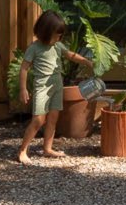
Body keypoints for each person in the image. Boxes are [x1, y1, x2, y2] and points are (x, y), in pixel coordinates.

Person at [17, 12, 90, 164]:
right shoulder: (34, 48)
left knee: (53, 119)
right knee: (38, 120)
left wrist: (87, 61)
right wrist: (23, 89)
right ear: (45, 32)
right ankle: (23, 150)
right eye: (57, 35)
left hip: (57, 85)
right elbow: (24, 68)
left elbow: (71, 55)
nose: (59, 38)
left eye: (60, 36)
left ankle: (47, 149)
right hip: (42, 87)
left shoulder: (57, 46)